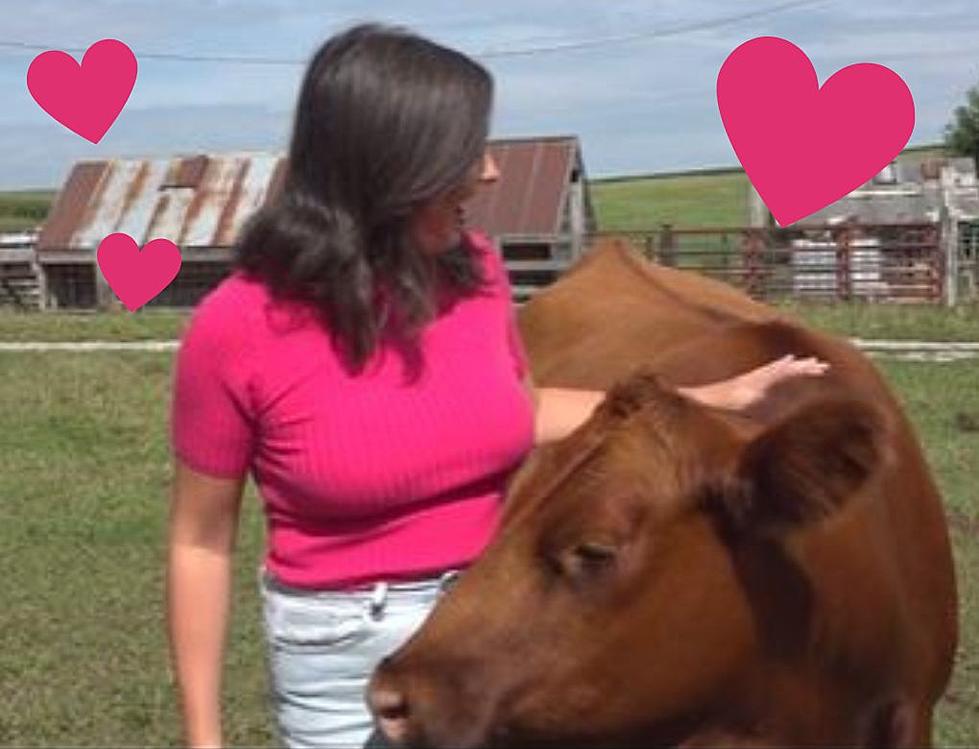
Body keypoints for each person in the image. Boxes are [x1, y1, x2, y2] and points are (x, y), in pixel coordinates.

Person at [166, 22, 828, 749]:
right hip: (344, 654)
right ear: (389, 164)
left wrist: (708, 398)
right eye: (463, 152)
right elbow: (201, 541)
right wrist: (204, 735)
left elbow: (522, 406)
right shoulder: (237, 325)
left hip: (503, 622)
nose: (488, 171)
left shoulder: (475, 272)